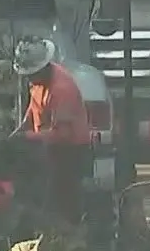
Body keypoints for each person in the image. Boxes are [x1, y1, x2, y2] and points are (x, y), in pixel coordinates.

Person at [13, 38, 92, 224]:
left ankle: (66, 237)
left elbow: (63, 135)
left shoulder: (61, 89)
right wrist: (19, 132)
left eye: (31, 74)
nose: (27, 78)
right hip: (48, 146)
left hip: (70, 151)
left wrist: (27, 138)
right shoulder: (38, 81)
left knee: (62, 202)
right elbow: (33, 110)